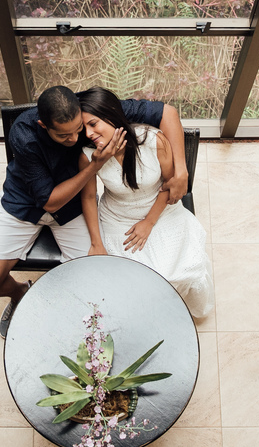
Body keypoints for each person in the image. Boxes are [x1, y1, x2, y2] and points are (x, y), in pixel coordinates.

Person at [0, 86, 190, 337]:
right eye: (64, 136)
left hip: (73, 208)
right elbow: (50, 202)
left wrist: (181, 172)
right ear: (44, 126)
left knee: (93, 281)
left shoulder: (89, 109)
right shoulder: (24, 134)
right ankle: (20, 292)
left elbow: (167, 113)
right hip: (25, 204)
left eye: (79, 128)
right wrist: (95, 165)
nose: (77, 139)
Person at [78, 87, 213, 318]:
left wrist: (149, 222)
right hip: (117, 219)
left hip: (161, 209)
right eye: (84, 129)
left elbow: (169, 185)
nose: (89, 134)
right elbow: (89, 197)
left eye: (93, 124)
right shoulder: (88, 154)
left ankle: (169, 312)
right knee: (128, 281)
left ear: (111, 115)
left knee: (173, 273)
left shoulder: (153, 140)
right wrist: (96, 242)